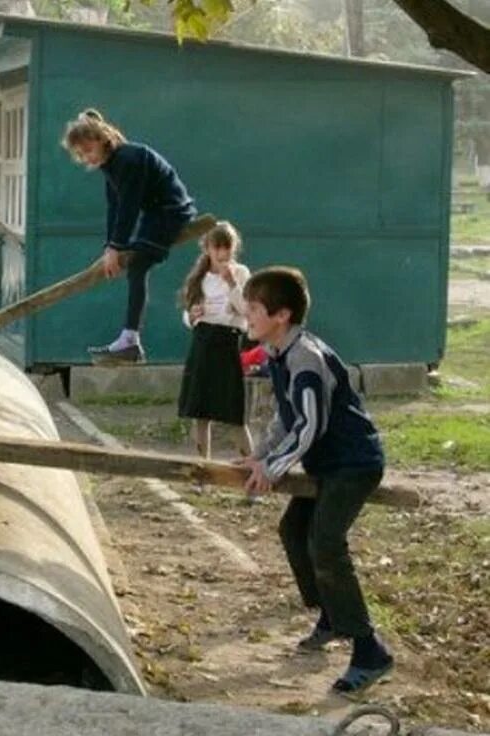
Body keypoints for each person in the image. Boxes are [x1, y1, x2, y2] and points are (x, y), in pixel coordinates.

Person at [239, 266, 393, 694]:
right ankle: (330, 615)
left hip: (353, 464)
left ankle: (369, 650)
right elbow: (284, 418)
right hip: (326, 465)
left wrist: (272, 469)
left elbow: (310, 426)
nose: (245, 316)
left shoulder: (305, 357)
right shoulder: (277, 354)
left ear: (281, 315)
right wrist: (260, 454)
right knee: (294, 529)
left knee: (325, 542)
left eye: (253, 309)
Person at [61, 108, 198, 363]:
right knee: (135, 262)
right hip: (155, 213)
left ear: (103, 141)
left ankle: (130, 340)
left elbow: (129, 206)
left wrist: (117, 248)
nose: (86, 158)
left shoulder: (128, 159)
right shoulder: (110, 165)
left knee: (138, 264)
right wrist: (110, 247)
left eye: (88, 150)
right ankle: (129, 340)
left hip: (171, 211)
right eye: (81, 155)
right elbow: (114, 206)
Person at [177, 221, 253, 461]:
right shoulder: (199, 277)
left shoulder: (240, 273)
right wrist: (191, 316)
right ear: (207, 248)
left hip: (228, 342)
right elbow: (188, 313)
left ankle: (251, 472)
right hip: (202, 342)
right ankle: (203, 471)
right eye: (217, 247)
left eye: (227, 247)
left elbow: (246, 310)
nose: (223, 253)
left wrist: (232, 283)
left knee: (234, 415)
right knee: (200, 414)